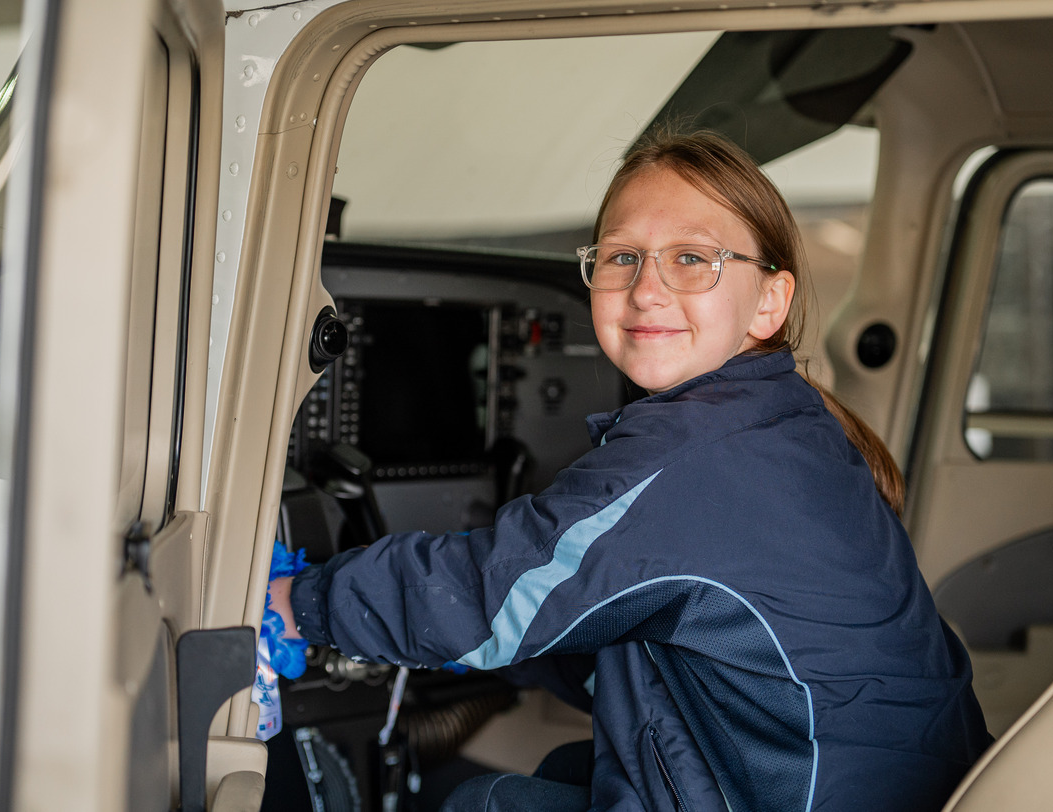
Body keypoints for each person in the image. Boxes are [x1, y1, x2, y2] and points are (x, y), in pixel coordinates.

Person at [268, 130, 992, 812]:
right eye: (621, 257)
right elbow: (653, 630)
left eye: (692, 258)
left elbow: (493, 598)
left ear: (770, 301)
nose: (647, 289)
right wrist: (495, 657)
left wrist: (300, 600)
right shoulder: (786, 423)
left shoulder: (698, 450)